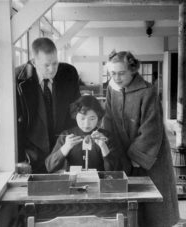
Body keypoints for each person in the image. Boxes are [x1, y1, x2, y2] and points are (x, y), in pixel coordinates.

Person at [103, 50, 179, 227]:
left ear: (133, 70)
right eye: (113, 73)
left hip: (149, 157)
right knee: (127, 207)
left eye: (121, 73)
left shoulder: (147, 91)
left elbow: (151, 129)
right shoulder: (111, 89)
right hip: (122, 152)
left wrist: (135, 158)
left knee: (152, 209)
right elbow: (108, 118)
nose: (117, 78)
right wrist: (109, 146)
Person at [15, 37, 81, 173]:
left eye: (55, 63)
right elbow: (15, 125)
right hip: (32, 153)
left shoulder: (69, 73)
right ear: (33, 62)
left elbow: (75, 111)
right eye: (46, 65)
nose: (52, 69)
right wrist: (20, 157)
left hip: (64, 148)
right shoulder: (16, 78)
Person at [45, 95, 120, 172]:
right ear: (75, 116)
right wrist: (66, 147)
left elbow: (115, 171)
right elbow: (49, 167)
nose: (86, 124)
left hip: (98, 181)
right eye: (82, 118)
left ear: (98, 117)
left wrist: (103, 146)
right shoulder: (66, 135)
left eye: (92, 118)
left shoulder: (106, 137)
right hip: (73, 181)